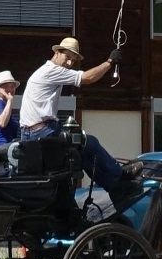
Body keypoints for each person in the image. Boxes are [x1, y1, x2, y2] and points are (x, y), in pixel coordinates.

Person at [19, 37, 139, 199]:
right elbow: (88, 78)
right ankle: (119, 175)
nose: (69, 63)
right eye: (67, 58)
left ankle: (114, 186)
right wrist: (110, 62)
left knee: (82, 153)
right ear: (56, 52)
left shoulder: (43, 72)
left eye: (73, 61)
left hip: (35, 132)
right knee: (89, 142)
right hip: (42, 132)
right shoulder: (50, 70)